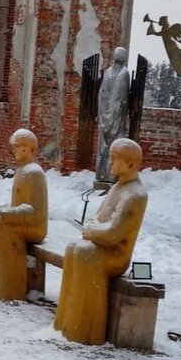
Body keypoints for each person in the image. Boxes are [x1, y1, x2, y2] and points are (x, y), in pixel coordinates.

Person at [54, 137, 148, 345]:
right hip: (101, 246)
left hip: (115, 254)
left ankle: (86, 329)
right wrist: (91, 227)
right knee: (72, 248)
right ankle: (66, 321)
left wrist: (91, 230)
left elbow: (113, 234)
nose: (110, 163)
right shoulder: (117, 188)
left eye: (114, 159)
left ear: (130, 164)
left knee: (84, 253)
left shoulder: (135, 195)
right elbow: (98, 219)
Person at [0, 128, 49, 301]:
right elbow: (17, 205)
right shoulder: (23, 170)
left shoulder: (34, 173)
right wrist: (1, 209)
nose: (13, 150)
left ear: (28, 149)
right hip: (25, 220)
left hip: (35, 226)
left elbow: (34, 211)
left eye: (16, 146)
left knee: (5, 227)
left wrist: (6, 214)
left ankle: (9, 288)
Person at [95, 46, 131, 183]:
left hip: (117, 116)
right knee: (103, 145)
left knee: (116, 146)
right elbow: (102, 92)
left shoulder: (124, 74)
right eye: (117, 54)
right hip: (105, 114)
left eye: (120, 55)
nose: (118, 57)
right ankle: (102, 174)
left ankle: (113, 175)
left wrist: (117, 113)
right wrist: (103, 112)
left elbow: (123, 97)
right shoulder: (108, 72)